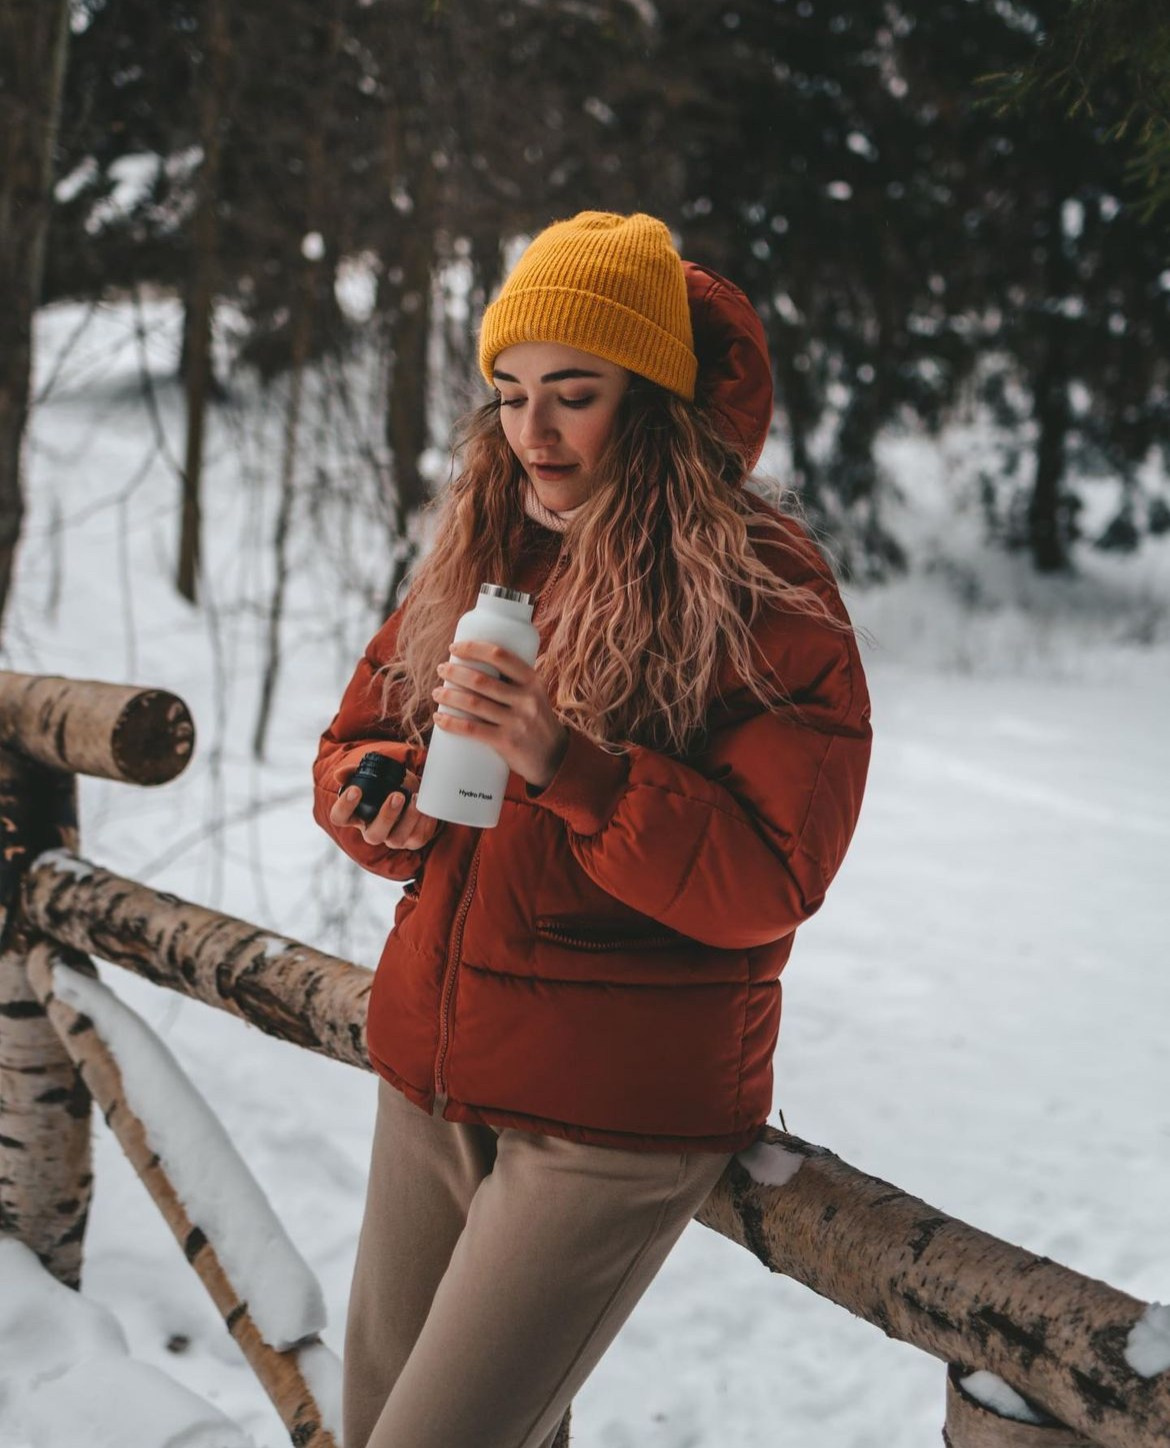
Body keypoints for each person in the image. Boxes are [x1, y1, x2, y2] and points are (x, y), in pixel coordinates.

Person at [312, 211, 872, 1448]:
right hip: (436, 1064)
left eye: (574, 394)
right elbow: (362, 732)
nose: (535, 431)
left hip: (611, 1106)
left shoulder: (764, 585)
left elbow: (770, 873)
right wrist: (378, 797)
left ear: (654, 401)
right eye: (511, 395)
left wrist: (567, 763)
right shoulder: (488, 537)